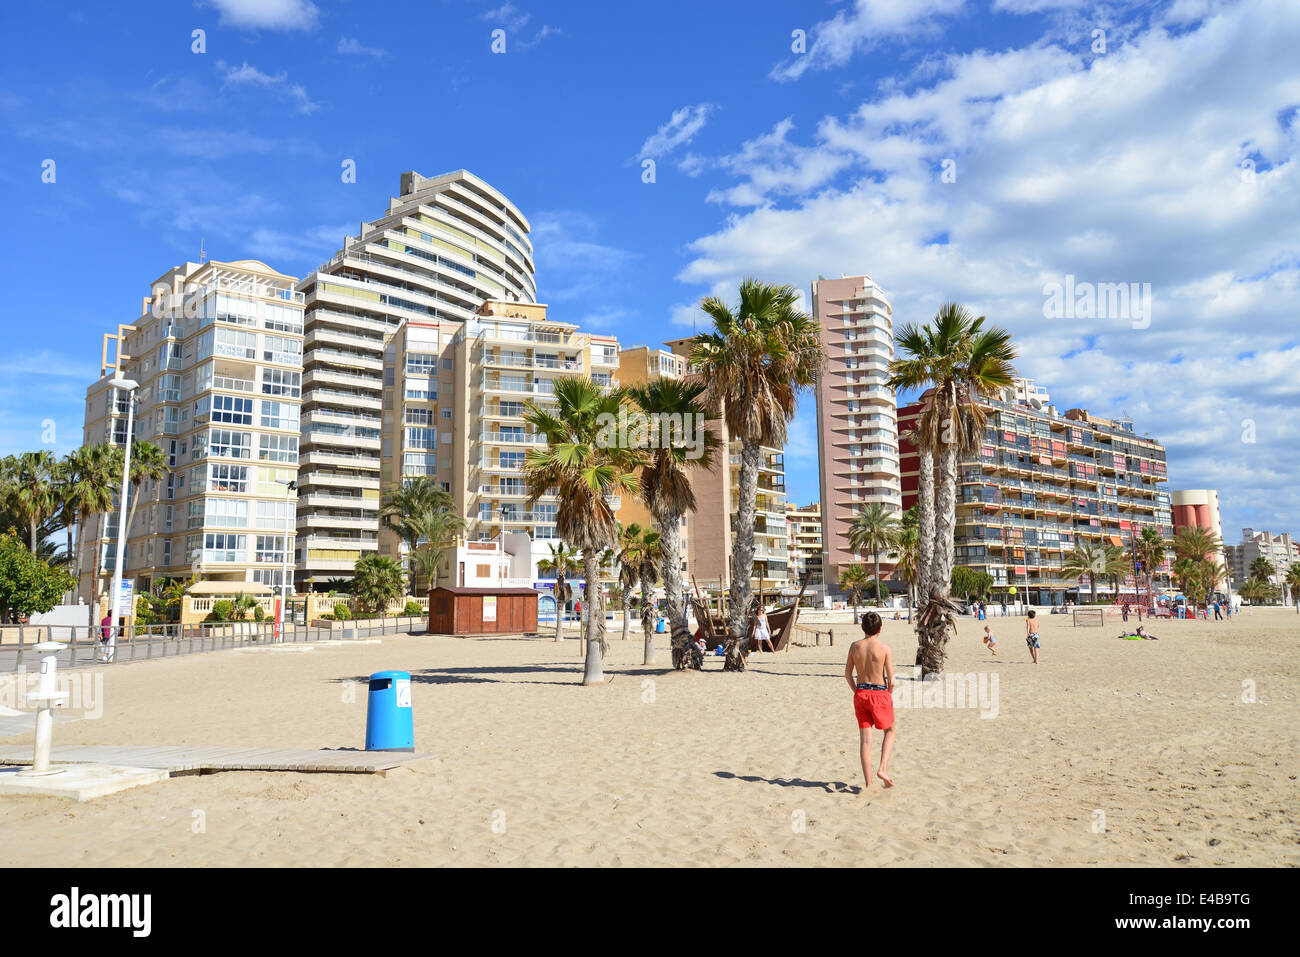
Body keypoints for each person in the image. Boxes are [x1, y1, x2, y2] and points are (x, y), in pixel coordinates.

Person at [843, 611, 895, 789]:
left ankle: (869, 784)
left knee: (866, 740)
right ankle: (882, 768)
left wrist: (856, 691)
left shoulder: (854, 646)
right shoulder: (884, 649)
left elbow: (847, 674)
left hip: (861, 693)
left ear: (862, 627)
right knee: (890, 731)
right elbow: (892, 679)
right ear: (880, 629)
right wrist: (888, 693)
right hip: (879, 693)